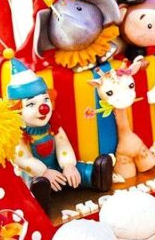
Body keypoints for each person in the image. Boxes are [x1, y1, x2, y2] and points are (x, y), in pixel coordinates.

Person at [7, 61, 113, 213]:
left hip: (59, 168)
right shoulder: (18, 135)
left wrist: (68, 165)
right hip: (36, 175)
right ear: (17, 111)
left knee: (78, 170)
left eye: (45, 99)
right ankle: (39, 198)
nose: (43, 108)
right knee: (33, 184)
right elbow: (24, 159)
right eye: (30, 104)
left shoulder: (53, 126)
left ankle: (96, 177)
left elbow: (63, 145)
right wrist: (43, 172)